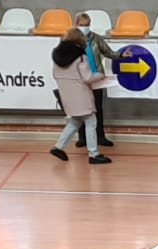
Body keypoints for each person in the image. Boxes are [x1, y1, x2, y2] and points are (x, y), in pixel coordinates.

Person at [49, 28, 112, 165]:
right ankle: (94, 154)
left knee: (75, 121)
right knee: (91, 121)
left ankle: (59, 147)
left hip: (66, 94)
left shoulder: (56, 57)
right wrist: (102, 76)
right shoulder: (80, 56)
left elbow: (55, 75)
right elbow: (87, 77)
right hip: (81, 93)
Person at [74, 13, 131, 149]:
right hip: (80, 80)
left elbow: (108, 53)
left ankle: (100, 137)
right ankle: (82, 138)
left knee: (97, 109)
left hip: (97, 78)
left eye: (87, 25)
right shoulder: (72, 40)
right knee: (82, 110)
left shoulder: (96, 39)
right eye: (82, 25)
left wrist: (121, 55)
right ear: (76, 25)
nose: (84, 28)